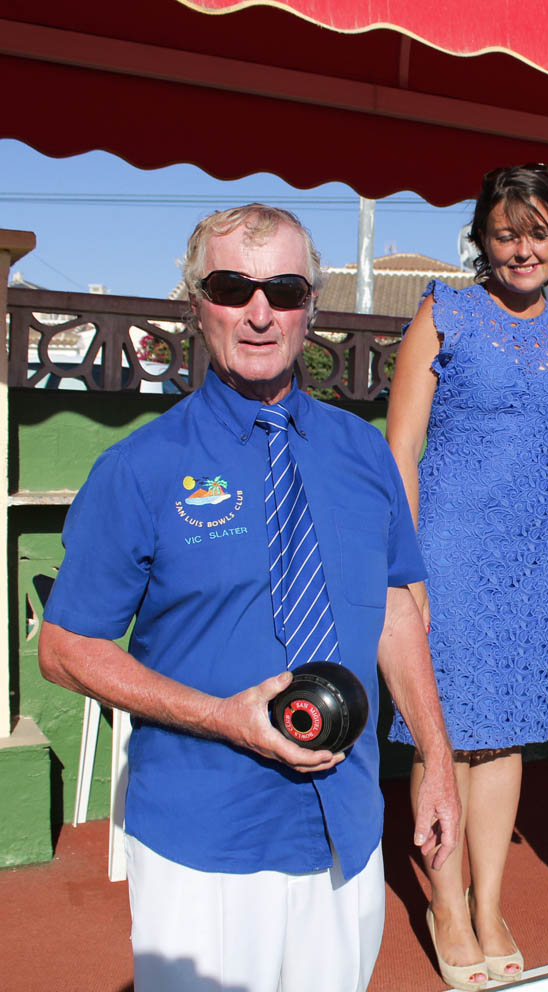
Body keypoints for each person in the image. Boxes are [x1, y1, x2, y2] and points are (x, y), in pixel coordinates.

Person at [38, 203, 460, 992]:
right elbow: (65, 648)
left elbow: (397, 607)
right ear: (196, 303)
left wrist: (435, 759)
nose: (260, 312)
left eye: (285, 289)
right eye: (233, 287)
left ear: (313, 307)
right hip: (207, 841)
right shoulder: (140, 468)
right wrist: (221, 717)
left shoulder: (364, 453)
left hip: (346, 824)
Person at [385, 164, 548, 988]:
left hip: (530, 561)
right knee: (440, 731)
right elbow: (400, 449)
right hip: (441, 554)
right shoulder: (444, 314)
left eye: (538, 232)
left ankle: (489, 906)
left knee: (507, 735)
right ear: (482, 237)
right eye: (506, 232)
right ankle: (446, 907)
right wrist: (407, 569)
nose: (522, 248)